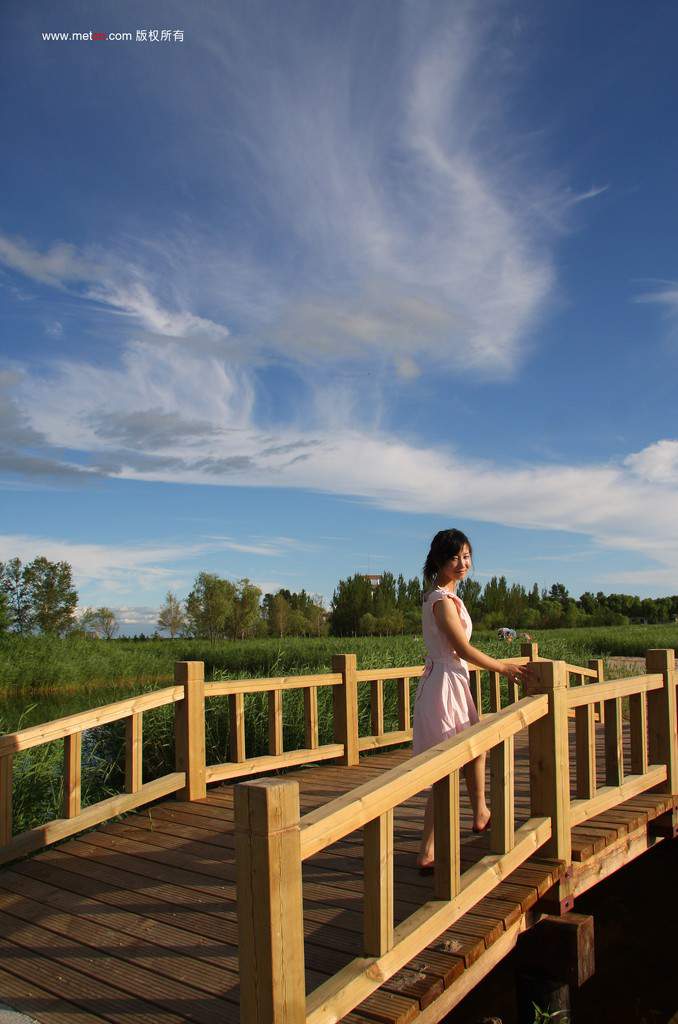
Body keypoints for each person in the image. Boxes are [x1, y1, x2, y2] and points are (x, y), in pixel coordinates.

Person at [414, 528, 532, 869]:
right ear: (439, 560)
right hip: (443, 685)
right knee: (445, 769)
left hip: (451, 680)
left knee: (475, 747)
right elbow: (462, 649)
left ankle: (480, 812)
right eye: (454, 557)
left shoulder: (446, 596)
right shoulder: (440, 601)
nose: (462, 563)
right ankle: (428, 850)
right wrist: (503, 667)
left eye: (466, 556)